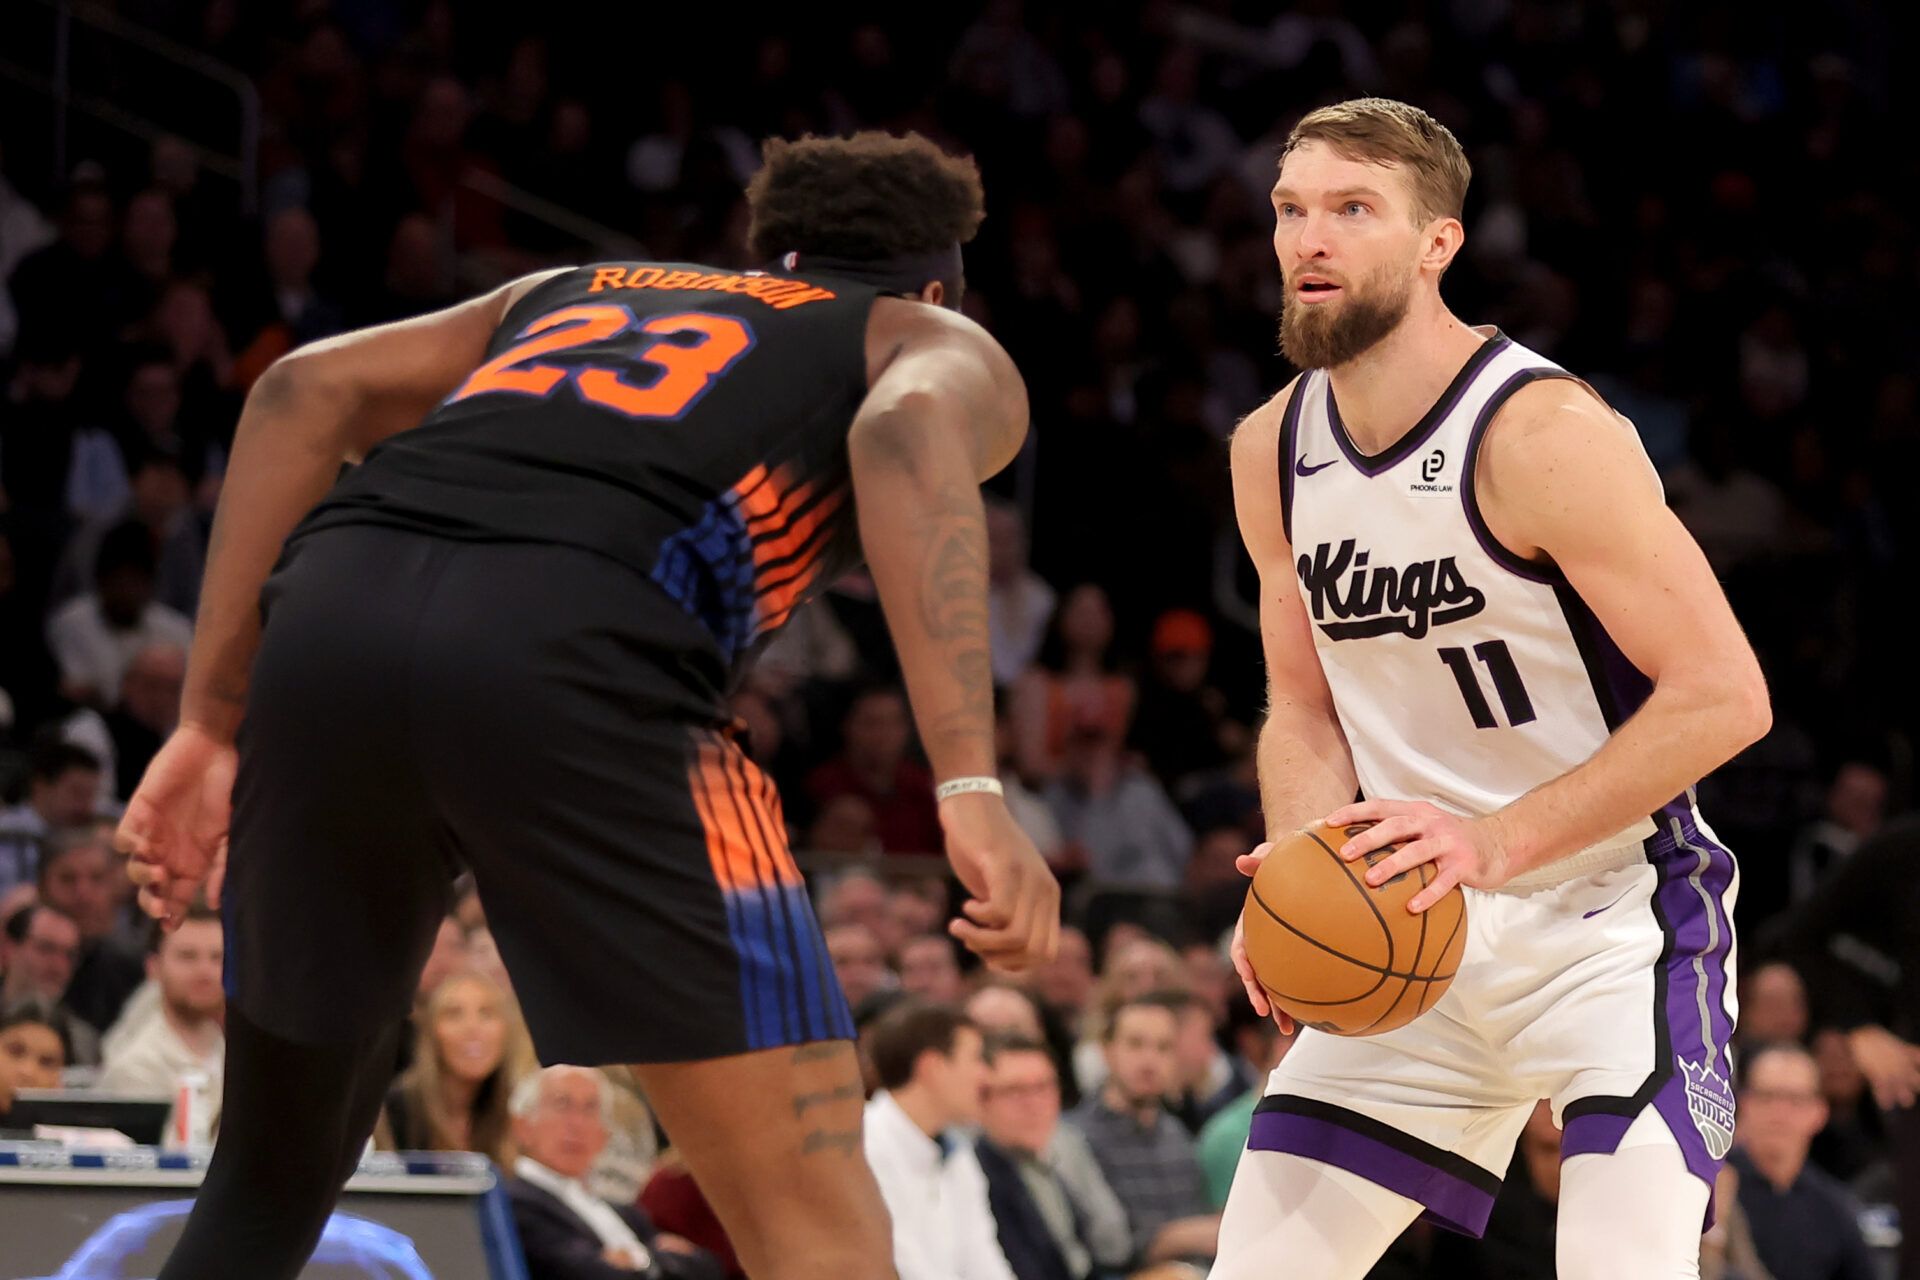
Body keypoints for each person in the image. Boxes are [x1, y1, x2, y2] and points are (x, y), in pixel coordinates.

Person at [116, 130, 1058, 1280]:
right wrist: (970, 780)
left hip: (333, 613)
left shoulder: (570, 286)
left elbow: (300, 387)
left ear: (782, 255)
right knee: (816, 1230)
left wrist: (209, 723)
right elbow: (906, 429)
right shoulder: (923, 333)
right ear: (936, 286)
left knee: (267, 1182)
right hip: (583, 648)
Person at [1217, 98, 1769, 1279]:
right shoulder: (1269, 447)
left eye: (1353, 210)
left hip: (1614, 924)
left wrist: (1492, 840)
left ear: (1437, 244)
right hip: (1418, 926)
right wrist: (1300, 864)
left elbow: (1727, 694)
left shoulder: (1539, 429)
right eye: (1292, 210)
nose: (1309, 239)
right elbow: (1305, 707)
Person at [507, 1065, 723, 1280]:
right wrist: (655, 1258)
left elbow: (708, 1269)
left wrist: (638, 1260)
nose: (577, 1124)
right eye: (563, 1104)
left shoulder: (624, 1211)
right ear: (523, 1126)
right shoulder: (513, 1201)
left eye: (590, 1108)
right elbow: (586, 1274)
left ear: (604, 1135)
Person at [862, 1001, 1017, 1280]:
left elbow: (983, 1261)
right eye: (977, 1059)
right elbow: (903, 1268)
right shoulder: (865, 1146)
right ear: (932, 1067)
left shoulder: (958, 1152)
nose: (987, 1075)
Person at [1066, 993, 1219, 1267]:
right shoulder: (1076, 1139)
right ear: (1107, 1050)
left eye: (1163, 1048)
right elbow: (1105, 1252)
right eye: (1136, 1044)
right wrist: (1179, 1237)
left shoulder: (1177, 1136)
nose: (1149, 1061)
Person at [976, 1034, 1122, 1280]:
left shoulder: (1053, 1159)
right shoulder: (977, 1179)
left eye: (1043, 1086)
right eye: (1015, 1090)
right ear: (981, 1100)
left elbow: (1110, 1251)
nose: (1034, 1104)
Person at [1727, 1043, 1876, 1280]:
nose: (1779, 1112)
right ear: (1744, 1104)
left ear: (1819, 1112)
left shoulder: (1835, 1207)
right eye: (1766, 1096)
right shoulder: (1711, 1187)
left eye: (1795, 1099)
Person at [378, 971, 536, 1164]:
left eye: (487, 1013)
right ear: (432, 1032)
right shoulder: (395, 1110)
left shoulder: (519, 1114)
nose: (473, 1028)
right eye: (453, 1014)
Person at [98, 905, 224, 1099]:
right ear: (154, 967)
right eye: (188, 956)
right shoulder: (136, 1067)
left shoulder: (233, 1053)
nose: (205, 972)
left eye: (217, 958)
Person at [0, 739, 102, 898]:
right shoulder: (6, 833)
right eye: (76, 792)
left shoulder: (87, 837)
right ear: (40, 786)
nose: (84, 806)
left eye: (90, 796)